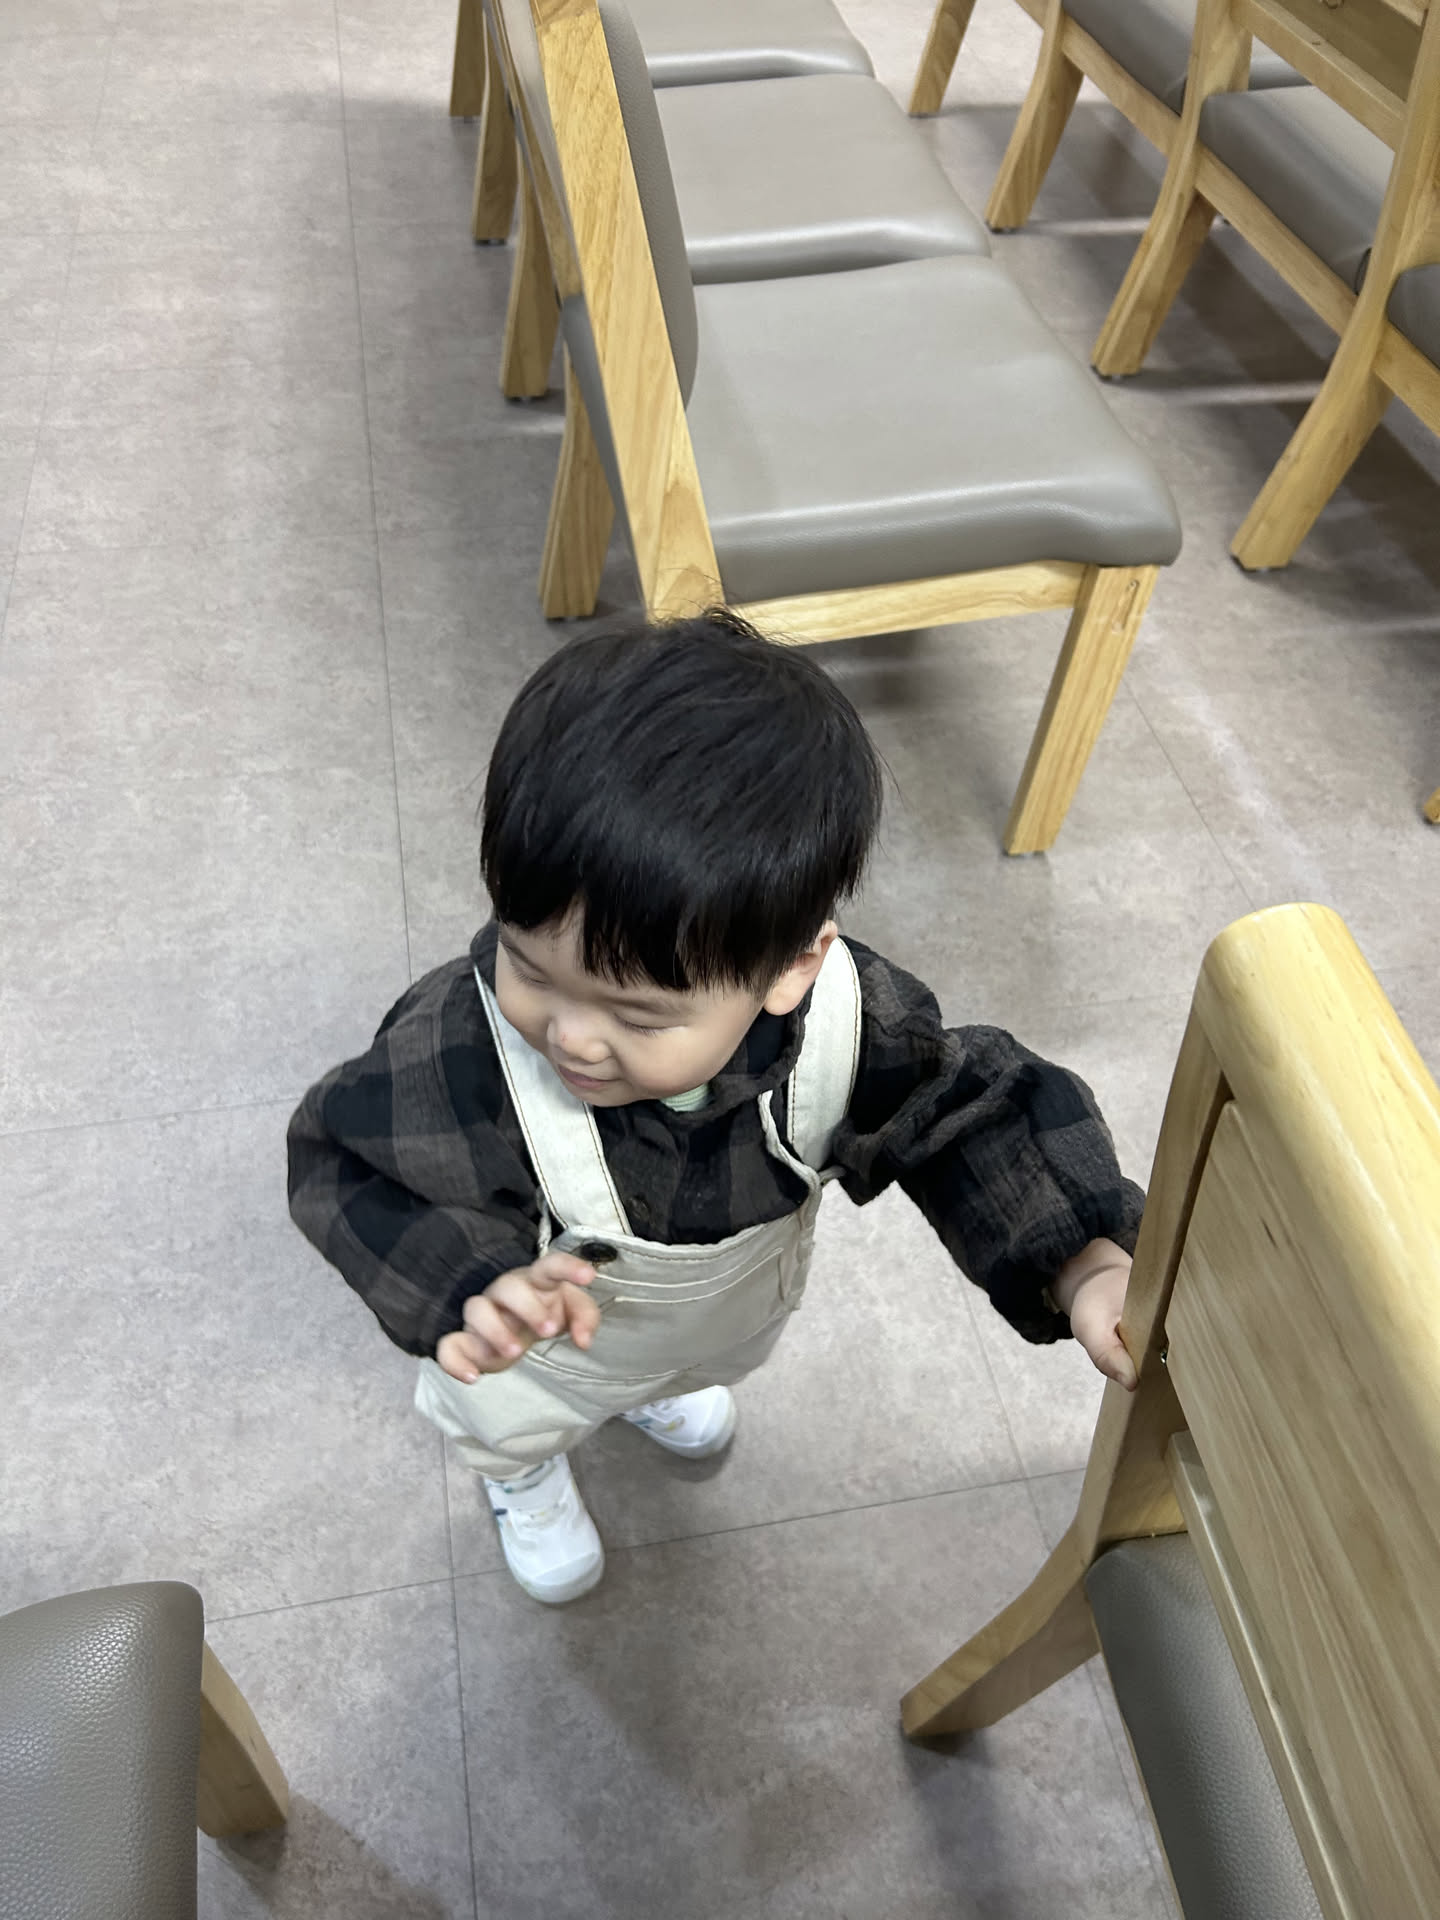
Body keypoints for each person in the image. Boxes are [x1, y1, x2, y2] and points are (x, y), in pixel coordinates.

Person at [288, 611, 1140, 1605]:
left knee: (686, 1368)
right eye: (531, 969)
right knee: (516, 1420)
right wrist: (467, 1282)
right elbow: (350, 1163)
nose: (573, 1037)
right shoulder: (461, 1043)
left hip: (703, 1330)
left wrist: (1083, 1261)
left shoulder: (848, 1023)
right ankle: (524, 1475)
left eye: (639, 1015)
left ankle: (650, 1395)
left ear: (790, 967)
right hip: (534, 1360)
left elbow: (972, 1113)